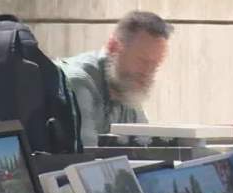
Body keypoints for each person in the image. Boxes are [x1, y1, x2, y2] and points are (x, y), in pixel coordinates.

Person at [56, 11, 172, 148]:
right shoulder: (77, 81)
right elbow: (85, 155)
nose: (148, 73)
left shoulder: (127, 87)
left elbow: (145, 145)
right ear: (114, 47)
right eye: (142, 61)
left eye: (154, 65)